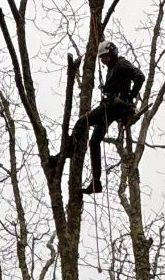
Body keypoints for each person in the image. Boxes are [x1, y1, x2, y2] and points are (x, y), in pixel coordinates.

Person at [54, 40, 145, 194]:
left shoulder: (122, 64)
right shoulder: (112, 69)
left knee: (81, 123)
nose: (104, 60)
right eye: (102, 58)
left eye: (107, 57)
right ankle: (96, 183)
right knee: (94, 141)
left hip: (112, 107)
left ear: (114, 53)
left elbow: (140, 76)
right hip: (109, 109)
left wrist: (130, 98)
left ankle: (66, 152)